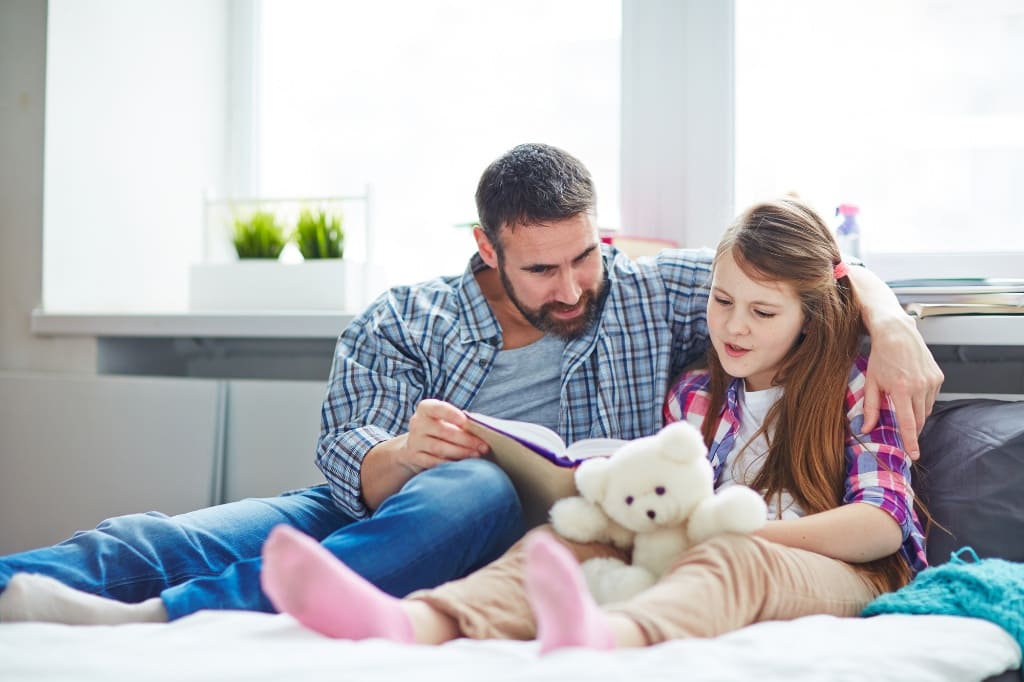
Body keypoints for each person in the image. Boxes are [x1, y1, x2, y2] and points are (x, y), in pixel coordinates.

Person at [0, 145, 938, 626]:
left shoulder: (654, 293)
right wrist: (405, 453)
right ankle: (32, 589)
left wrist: (890, 325)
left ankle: (167, 622)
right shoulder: (404, 319)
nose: (573, 288)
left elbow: (805, 273)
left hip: (530, 531)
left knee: (482, 488)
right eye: (542, 271)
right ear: (484, 249)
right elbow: (349, 466)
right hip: (383, 512)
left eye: (585, 257)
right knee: (175, 535)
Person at [254, 196, 929, 651]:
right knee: (566, 545)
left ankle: (612, 639)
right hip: (698, 552)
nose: (733, 325)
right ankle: (412, 619)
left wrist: (738, 530)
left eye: (762, 312)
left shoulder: (857, 385)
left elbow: (880, 525)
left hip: (842, 568)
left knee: (735, 556)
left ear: (810, 315)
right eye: (722, 301)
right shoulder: (695, 397)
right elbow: (675, 504)